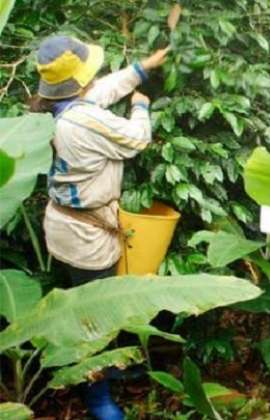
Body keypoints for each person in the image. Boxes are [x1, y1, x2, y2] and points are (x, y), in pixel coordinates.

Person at [32, 35, 169, 420]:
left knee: (92, 304)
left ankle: (111, 368)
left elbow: (101, 92)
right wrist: (141, 106)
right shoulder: (86, 121)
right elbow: (136, 139)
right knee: (94, 316)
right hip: (85, 234)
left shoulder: (62, 108)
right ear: (79, 81)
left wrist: (142, 68)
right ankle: (97, 395)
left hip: (66, 223)